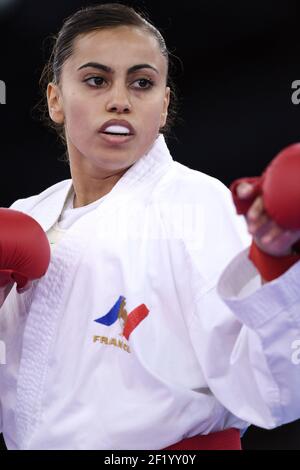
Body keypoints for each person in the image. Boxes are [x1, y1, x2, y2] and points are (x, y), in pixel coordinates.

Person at [0, 3, 300, 450]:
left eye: (142, 83)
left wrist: (273, 264)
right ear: (55, 100)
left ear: (162, 106)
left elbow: (275, 393)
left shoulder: (194, 205)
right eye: (96, 80)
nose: (120, 99)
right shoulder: (28, 215)